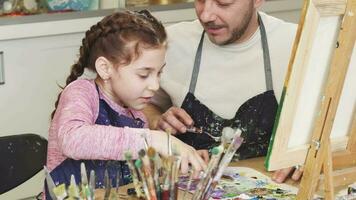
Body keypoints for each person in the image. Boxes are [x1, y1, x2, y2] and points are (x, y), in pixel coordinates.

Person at [45, 10, 206, 199]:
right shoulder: (81, 92)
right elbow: (72, 140)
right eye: (144, 74)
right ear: (105, 68)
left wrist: (176, 161)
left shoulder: (136, 115)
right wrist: (155, 140)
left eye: (159, 73)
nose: (155, 85)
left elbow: (139, 169)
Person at [144, 0, 301, 183]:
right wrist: (156, 120)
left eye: (223, 3)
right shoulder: (170, 43)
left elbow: (329, 130)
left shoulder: (298, 43)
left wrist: (306, 153)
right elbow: (143, 106)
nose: (205, 15)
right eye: (200, 0)